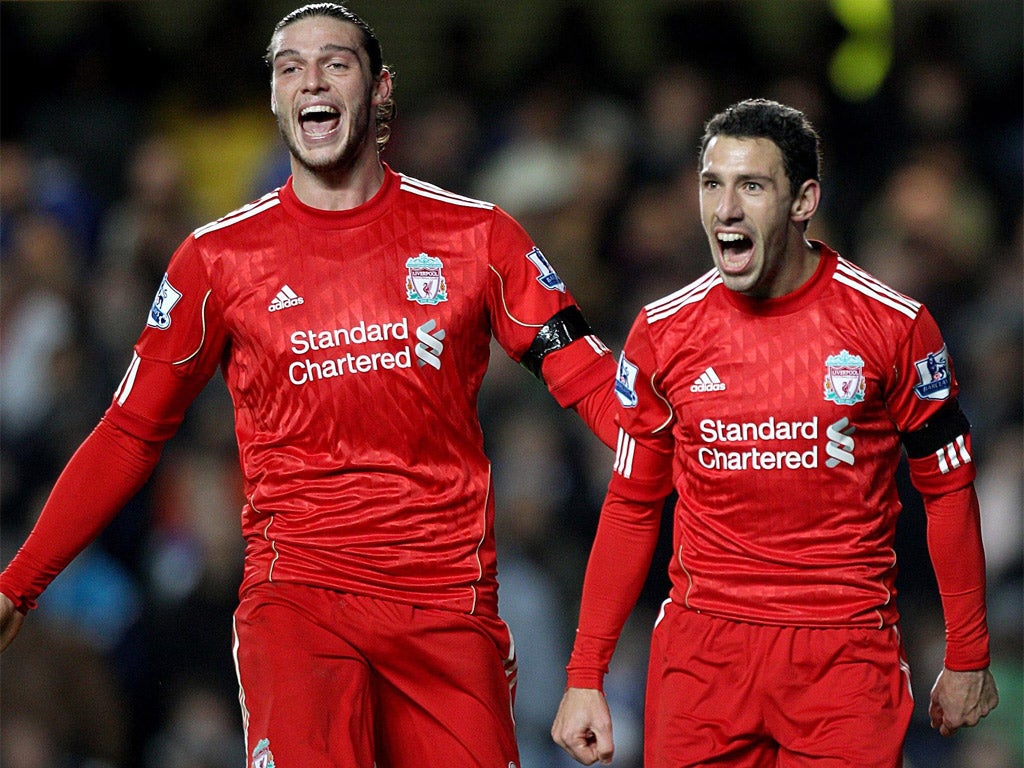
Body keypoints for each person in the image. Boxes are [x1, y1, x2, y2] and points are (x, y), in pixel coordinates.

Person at [0, 5, 620, 768]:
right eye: (290, 67)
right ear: (273, 97)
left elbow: (588, 376)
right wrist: (20, 582)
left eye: (335, 62)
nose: (311, 79)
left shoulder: (477, 237)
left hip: (445, 604)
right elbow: (130, 431)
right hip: (297, 599)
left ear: (380, 88)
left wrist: (684, 455)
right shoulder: (218, 260)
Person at [551, 98, 999, 767]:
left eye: (752, 185)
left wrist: (967, 653)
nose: (725, 208)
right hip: (702, 661)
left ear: (803, 199)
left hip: (843, 657)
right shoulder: (663, 333)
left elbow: (950, 489)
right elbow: (631, 506)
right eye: (712, 184)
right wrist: (585, 674)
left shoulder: (893, 327)